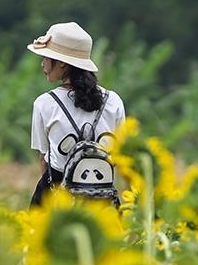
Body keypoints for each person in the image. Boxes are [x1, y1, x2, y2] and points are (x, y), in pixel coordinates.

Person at [27, 22, 127, 207]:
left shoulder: (44, 103)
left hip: (59, 197)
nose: (43, 64)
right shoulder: (113, 101)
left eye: (46, 58)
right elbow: (122, 157)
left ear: (62, 63)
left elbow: (44, 160)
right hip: (102, 198)